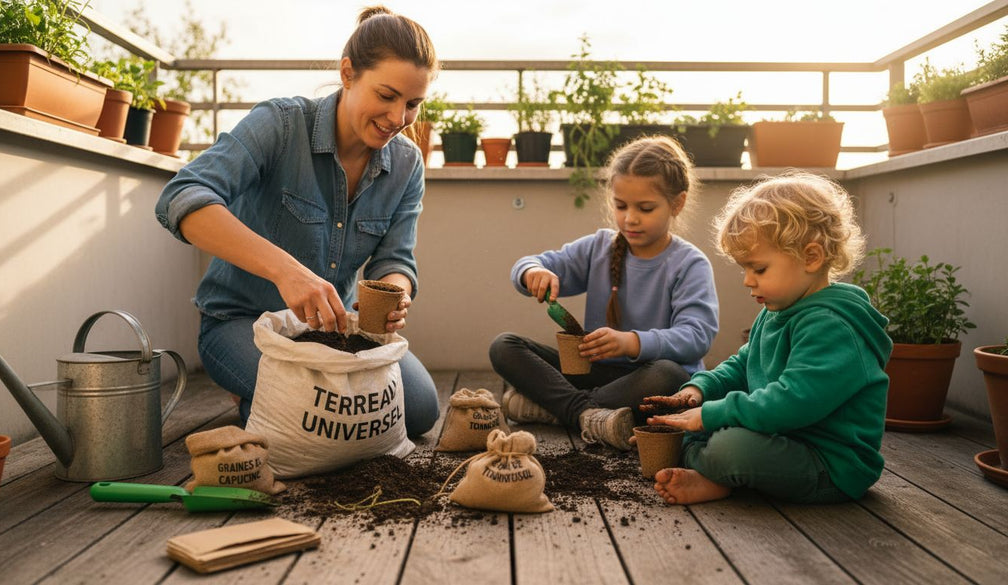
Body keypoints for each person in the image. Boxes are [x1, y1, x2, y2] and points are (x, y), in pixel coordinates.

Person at [154, 6, 440, 435]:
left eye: (413, 104)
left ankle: (264, 401)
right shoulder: (281, 125)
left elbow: (395, 260)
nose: (398, 119)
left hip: (333, 333)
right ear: (348, 73)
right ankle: (258, 392)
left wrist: (395, 293)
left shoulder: (406, 164)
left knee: (417, 408)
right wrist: (286, 272)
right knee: (323, 412)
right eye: (386, 96)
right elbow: (181, 197)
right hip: (242, 324)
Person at [641, 172, 892, 505]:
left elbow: (793, 401)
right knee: (694, 427)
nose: (747, 280)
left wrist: (709, 416)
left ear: (811, 257)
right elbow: (743, 364)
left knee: (730, 447)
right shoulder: (778, 310)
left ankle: (716, 474)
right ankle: (713, 472)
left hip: (829, 463)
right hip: (781, 437)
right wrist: (699, 391)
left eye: (758, 269)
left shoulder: (833, 326)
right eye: (744, 269)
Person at [489, 136, 720, 451]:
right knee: (505, 346)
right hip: (597, 376)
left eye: (645, 208)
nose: (630, 218)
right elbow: (533, 263)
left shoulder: (689, 264)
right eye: (620, 205)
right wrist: (532, 272)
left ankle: (558, 409)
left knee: (669, 375)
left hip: (646, 381)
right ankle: (589, 415)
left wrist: (632, 342)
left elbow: (696, 337)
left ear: (677, 204)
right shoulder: (599, 247)